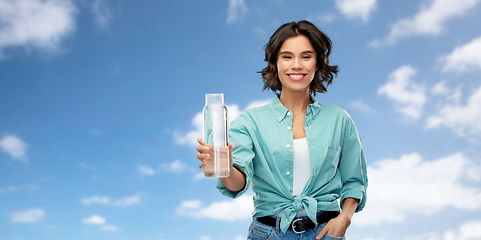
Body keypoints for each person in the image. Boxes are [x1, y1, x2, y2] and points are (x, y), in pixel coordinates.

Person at [196, 20, 368, 240]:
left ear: (318, 62)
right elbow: (237, 184)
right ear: (275, 63)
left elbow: (355, 180)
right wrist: (227, 167)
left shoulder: (339, 119)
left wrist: (345, 217)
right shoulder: (250, 122)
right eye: (287, 57)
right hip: (268, 233)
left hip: (326, 232)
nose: (296, 65)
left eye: (306, 56)